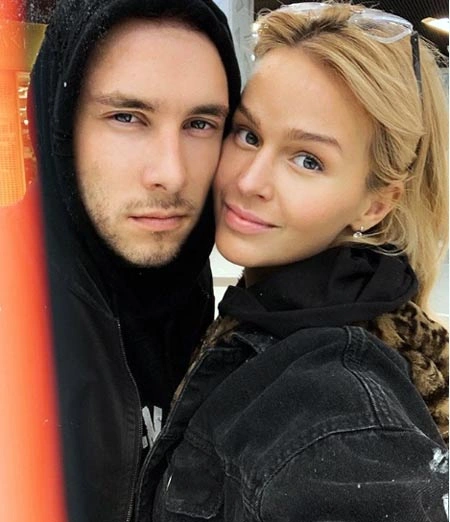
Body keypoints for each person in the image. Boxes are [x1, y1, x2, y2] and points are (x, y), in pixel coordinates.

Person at [143, 3, 449, 521]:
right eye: (249, 135)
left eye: (308, 160)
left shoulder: (342, 411)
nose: (248, 181)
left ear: (376, 205)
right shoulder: (272, 312)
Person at [27, 0, 240, 521]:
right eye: (127, 117)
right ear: (59, 125)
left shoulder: (192, 291)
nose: (171, 174)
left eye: (200, 124)